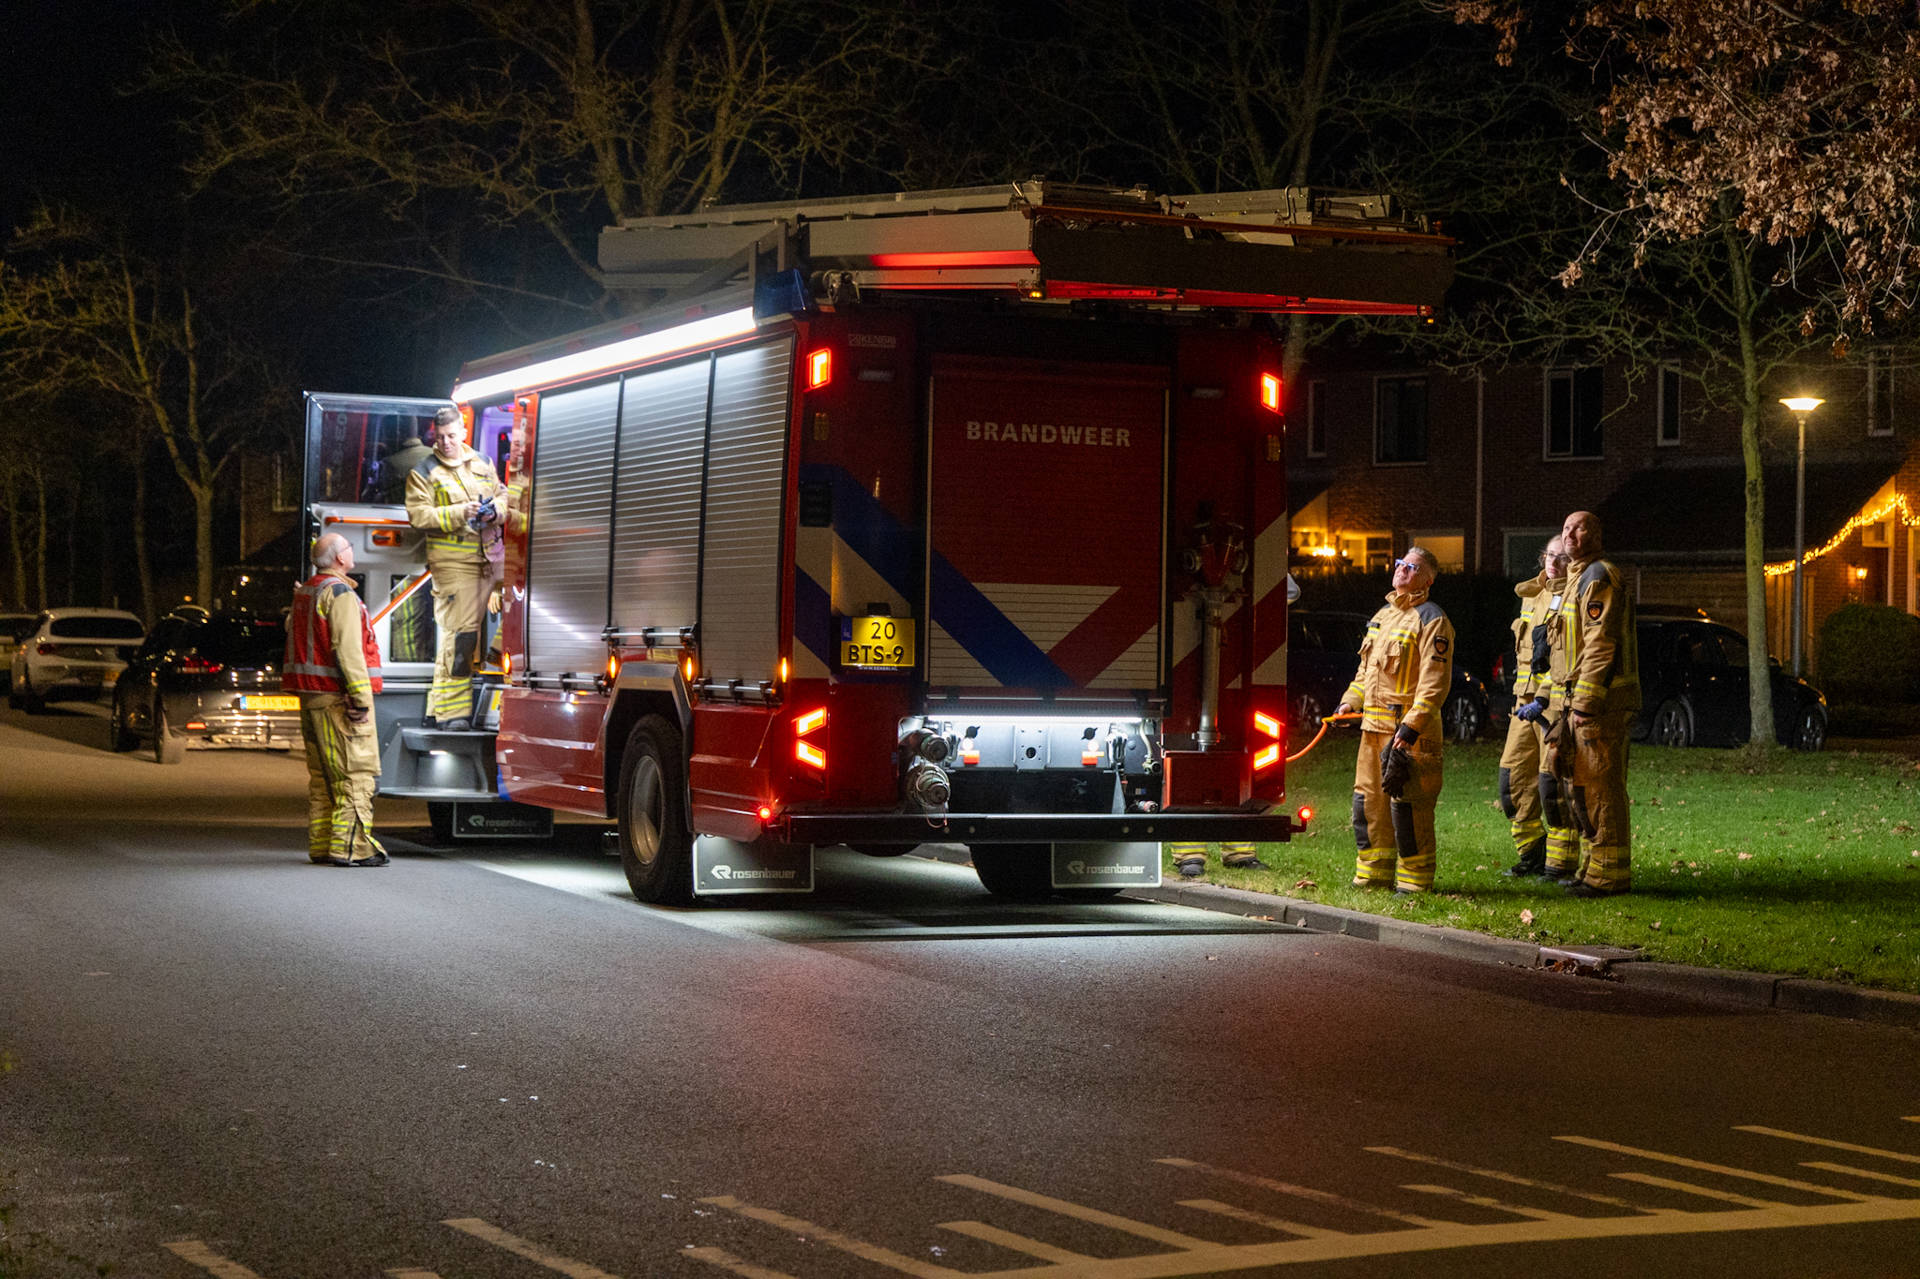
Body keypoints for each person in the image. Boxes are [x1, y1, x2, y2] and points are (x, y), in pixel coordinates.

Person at [1336, 547, 1454, 894]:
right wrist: (1349, 702)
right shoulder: (1382, 616)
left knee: (1409, 809)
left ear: (1428, 580)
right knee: (1368, 805)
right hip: (1372, 732)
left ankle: (1415, 881)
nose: (1402, 569)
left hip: (1408, 737)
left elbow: (1434, 685)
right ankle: (1373, 875)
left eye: (1413, 567)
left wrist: (1411, 727)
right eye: (1401, 563)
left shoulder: (1432, 619)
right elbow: (1365, 673)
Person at [285, 532, 387, 867]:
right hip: (336, 701)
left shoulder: (306, 592)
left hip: (312, 698)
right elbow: (348, 651)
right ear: (340, 558)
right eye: (349, 548)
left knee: (324, 778)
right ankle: (352, 848)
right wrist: (359, 698)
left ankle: (323, 845)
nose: (352, 551)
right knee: (354, 775)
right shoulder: (339, 594)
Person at [405, 406, 506, 730]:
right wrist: (460, 512)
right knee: (460, 638)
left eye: (451, 436)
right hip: (453, 564)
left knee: (522, 609)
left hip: (491, 558)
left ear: (463, 432)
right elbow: (419, 515)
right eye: (440, 437)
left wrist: (494, 512)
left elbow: (504, 497)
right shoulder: (424, 471)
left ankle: (440, 705)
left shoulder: (483, 462)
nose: (446, 442)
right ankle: (452, 715)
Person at [1556, 510, 1640, 897]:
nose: (1571, 534)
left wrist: (1586, 700)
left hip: (1601, 704)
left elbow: (1601, 641)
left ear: (1597, 535)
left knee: (1601, 787)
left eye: (1580, 527)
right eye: (1566, 528)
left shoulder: (1598, 576)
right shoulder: (1577, 579)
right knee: (1585, 787)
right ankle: (1593, 868)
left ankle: (1609, 876)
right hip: (1581, 703)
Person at [1498, 537, 1568, 877]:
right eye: (1550, 555)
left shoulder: (1574, 597)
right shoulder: (1532, 595)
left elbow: (1566, 657)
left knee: (1552, 784)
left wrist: (1544, 696)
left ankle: (1560, 864)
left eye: (1562, 557)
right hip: (1523, 701)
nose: (1554, 562)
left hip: (1554, 705)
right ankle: (1531, 853)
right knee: (1511, 779)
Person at [373, 425, 433, 504]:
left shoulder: (391, 463)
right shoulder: (437, 455)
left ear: (396, 433)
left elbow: (380, 500)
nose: (384, 439)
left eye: (385, 434)